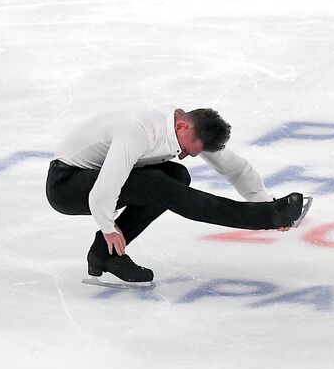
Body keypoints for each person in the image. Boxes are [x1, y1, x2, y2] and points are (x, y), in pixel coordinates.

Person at [46, 106, 313, 287]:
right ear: (183, 126)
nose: (188, 155)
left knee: (177, 176)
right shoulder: (139, 131)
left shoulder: (189, 129)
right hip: (67, 185)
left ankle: (105, 256)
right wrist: (107, 226)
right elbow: (102, 191)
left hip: (95, 179)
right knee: (157, 183)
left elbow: (235, 167)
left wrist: (262, 200)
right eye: (187, 149)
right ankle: (262, 218)